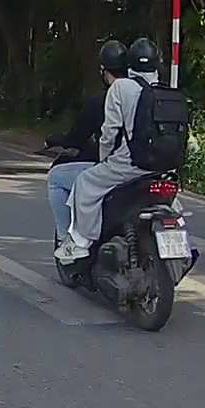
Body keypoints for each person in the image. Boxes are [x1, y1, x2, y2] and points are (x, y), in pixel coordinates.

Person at [56, 37, 163, 262]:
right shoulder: (165, 90)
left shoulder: (122, 87)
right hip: (163, 167)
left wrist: (104, 161)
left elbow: (109, 132)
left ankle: (81, 242)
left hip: (130, 164)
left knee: (84, 182)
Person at [44, 81, 109, 242]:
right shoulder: (155, 98)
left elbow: (77, 138)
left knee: (55, 177)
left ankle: (66, 240)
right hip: (155, 171)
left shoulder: (107, 100)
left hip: (118, 168)